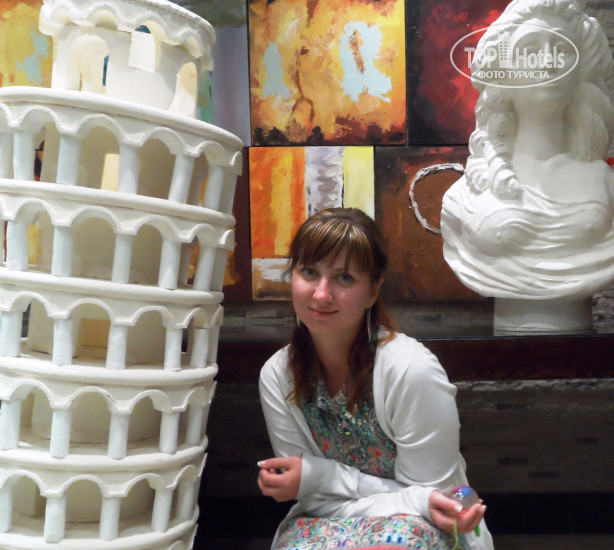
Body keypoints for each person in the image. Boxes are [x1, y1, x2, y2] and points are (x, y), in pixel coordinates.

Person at [257, 208, 493, 550]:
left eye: (344, 278)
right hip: (324, 519)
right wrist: (314, 483)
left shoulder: (411, 370)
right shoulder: (278, 375)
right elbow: (313, 499)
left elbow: (436, 501)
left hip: (422, 523)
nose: (321, 294)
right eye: (309, 272)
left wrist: (319, 476)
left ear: (373, 290)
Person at [441, 0, 614, 311]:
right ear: (502, 75)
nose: (547, 62)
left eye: (562, 51)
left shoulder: (605, 184)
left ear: (580, 72)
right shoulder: (466, 195)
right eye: (530, 49)